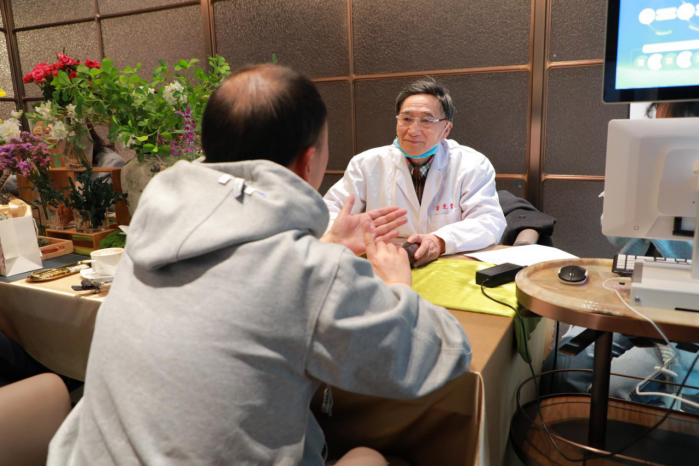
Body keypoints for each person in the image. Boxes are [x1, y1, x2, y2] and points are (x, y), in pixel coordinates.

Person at [47, 64, 472, 465]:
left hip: (84, 456)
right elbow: (438, 354)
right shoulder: (311, 273)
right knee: (371, 457)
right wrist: (397, 284)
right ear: (309, 161)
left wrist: (328, 242)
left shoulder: (153, 230)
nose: (414, 128)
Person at [543, 101, 699, 412]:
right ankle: (570, 430)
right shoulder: (645, 168)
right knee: (562, 364)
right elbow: (616, 235)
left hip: (687, 320)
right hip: (636, 296)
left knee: (615, 387)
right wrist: (639, 189)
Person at [323, 77, 506, 267]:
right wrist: (343, 237)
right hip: (384, 262)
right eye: (407, 119)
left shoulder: (471, 164)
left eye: (426, 120)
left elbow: (489, 221)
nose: (413, 130)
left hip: (449, 263)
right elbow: (328, 212)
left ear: (446, 129)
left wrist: (440, 241)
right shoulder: (366, 164)